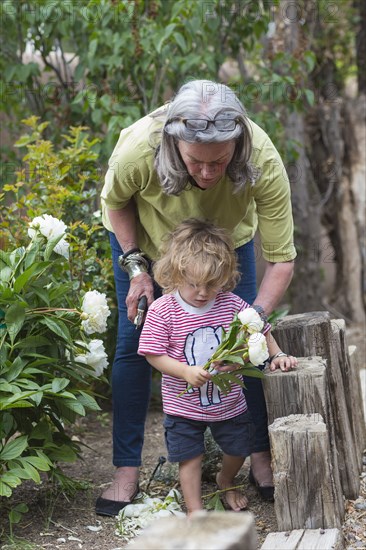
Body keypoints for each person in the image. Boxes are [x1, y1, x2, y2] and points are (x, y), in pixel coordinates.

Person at [95, 79, 296, 517]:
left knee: (246, 352)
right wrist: (137, 269)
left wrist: (250, 321)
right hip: (145, 243)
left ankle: (258, 457)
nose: (206, 174)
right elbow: (114, 203)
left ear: (237, 145)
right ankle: (126, 470)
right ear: (173, 144)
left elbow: (281, 259)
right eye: (195, 163)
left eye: (219, 162)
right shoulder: (138, 146)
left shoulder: (261, 157)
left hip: (225, 246)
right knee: (133, 347)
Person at [137, 219, 297, 515]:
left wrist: (276, 355)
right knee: (190, 457)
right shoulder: (163, 310)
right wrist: (185, 371)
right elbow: (152, 354)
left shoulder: (231, 304)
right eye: (194, 284)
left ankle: (226, 479)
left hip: (229, 402)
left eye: (211, 285)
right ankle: (196, 512)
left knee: (239, 449)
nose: (202, 292)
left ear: (224, 277)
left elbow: (258, 328)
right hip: (182, 404)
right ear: (175, 274)